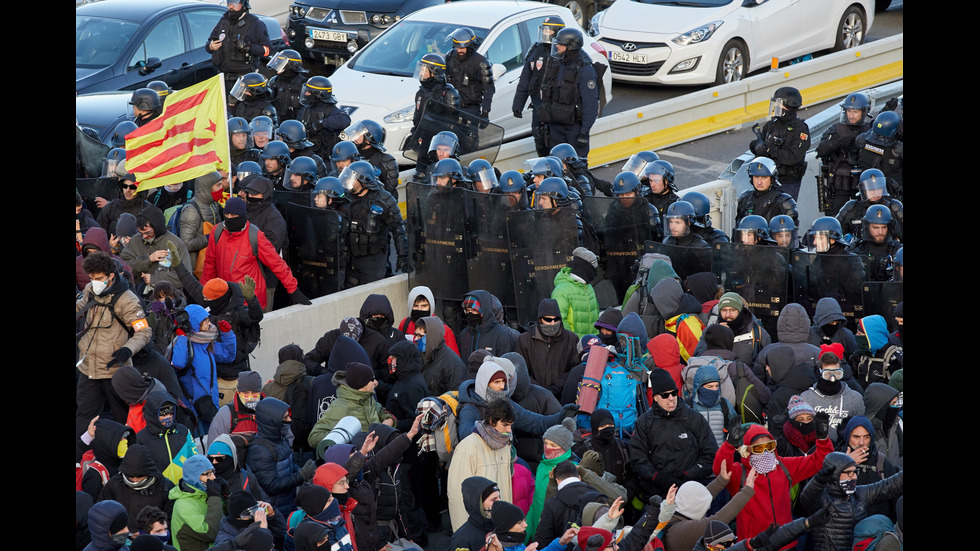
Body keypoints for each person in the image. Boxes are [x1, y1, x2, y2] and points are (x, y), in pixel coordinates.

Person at [712, 418, 833, 548]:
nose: (765, 452)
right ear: (747, 450)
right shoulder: (739, 473)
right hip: (753, 545)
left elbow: (819, 460)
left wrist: (823, 439)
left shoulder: (785, 467)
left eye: (769, 446)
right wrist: (729, 444)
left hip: (786, 543)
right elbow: (720, 470)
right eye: (758, 448)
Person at [76, 251, 153, 439]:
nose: (95, 282)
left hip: (115, 371)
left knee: (121, 420)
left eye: (99, 278)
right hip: (88, 368)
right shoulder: (89, 290)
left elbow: (143, 331)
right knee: (83, 418)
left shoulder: (128, 300)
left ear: (111, 276)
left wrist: (128, 349)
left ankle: (124, 457)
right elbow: (80, 307)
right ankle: (80, 457)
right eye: (92, 278)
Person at [200, 197, 310, 311]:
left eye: (233, 216)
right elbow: (209, 264)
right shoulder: (217, 232)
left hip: (251, 301)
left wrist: (293, 290)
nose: (229, 218)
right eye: (226, 215)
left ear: (242, 216)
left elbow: (276, 263)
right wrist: (204, 293)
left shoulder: (255, 236)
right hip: (225, 298)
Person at [630, 369, 718, 500]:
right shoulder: (644, 423)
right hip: (656, 494)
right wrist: (656, 477)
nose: (671, 398)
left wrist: (688, 475)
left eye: (674, 393)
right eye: (665, 395)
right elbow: (637, 458)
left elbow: (711, 454)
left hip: (690, 492)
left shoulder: (694, 418)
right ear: (655, 397)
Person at [799, 452, 903, 551]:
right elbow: (807, 497)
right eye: (849, 473)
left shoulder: (859, 494)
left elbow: (889, 486)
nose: (854, 477)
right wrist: (818, 481)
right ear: (835, 474)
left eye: (855, 472)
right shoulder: (822, 499)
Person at [338, 160, 412, 286]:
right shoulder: (346, 197)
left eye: (352, 178)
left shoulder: (384, 199)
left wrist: (403, 256)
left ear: (363, 181)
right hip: (350, 259)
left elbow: (398, 229)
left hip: (373, 260)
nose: (347, 180)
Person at [246, 397, 318, 515]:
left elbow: (289, 465)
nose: (290, 420)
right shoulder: (259, 450)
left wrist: (305, 473)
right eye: (285, 418)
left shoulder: (280, 439)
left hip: (287, 505)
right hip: (273, 511)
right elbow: (272, 486)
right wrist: (301, 475)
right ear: (271, 421)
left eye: (288, 416)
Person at [306, 361, 396, 448]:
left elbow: (380, 411)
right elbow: (313, 438)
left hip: (376, 457)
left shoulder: (368, 399)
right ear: (362, 383)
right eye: (372, 379)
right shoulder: (339, 407)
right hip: (355, 460)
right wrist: (346, 437)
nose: (376, 382)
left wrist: (388, 420)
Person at [541, 27, 600, 157]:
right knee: (555, 166)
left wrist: (584, 133)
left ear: (570, 47)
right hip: (556, 127)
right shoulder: (558, 64)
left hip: (574, 130)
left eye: (560, 44)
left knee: (577, 168)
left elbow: (591, 105)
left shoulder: (585, 71)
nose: (556, 46)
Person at [513, 16, 565, 157]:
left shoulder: (564, 52)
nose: (546, 33)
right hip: (538, 104)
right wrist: (518, 104)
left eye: (549, 30)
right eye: (544, 29)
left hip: (555, 107)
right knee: (539, 139)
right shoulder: (536, 50)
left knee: (554, 141)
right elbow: (525, 79)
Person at [815, 92, 872, 215]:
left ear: (863, 112)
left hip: (864, 183)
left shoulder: (870, 130)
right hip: (840, 184)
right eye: (849, 111)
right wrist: (837, 143)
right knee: (835, 216)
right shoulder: (837, 129)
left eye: (855, 112)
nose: (851, 116)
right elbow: (821, 150)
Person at [749, 86, 809, 200]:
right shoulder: (771, 125)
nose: (776, 107)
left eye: (778, 105)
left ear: (789, 107)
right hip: (767, 178)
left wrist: (769, 150)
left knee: (784, 211)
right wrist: (756, 146)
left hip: (787, 181)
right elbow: (757, 142)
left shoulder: (800, 129)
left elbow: (793, 157)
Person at [99, 444, 175, 533]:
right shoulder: (115, 483)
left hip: (152, 541)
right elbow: (102, 512)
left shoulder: (166, 487)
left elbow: (170, 520)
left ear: (149, 471)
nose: (135, 480)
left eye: (140, 475)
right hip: (122, 540)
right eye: (130, 475)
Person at [516, 298, 580, 400]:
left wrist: (557, 386)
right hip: (533, 397)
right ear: (540, 319)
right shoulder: (524, 340)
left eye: (556, 319)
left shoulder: (571, 339)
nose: (552, 323)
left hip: (562, 396)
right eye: (548, 320)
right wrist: (540, 391)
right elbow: (521, 371)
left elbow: (576, 368)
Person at [408, 53, 462, 174]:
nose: (420, 73)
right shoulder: (421, 92)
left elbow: (454, 124)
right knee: (420, 175)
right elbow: (418, 117)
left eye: (423, 69)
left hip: (441, 145)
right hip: (425, 144)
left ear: (434, 71)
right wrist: (414, 136)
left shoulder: (448, 93)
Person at [119, 205, 190, 293]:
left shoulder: (176, 244)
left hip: (169, 296)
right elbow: (123, 267)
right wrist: (147, 259)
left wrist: (155, 279)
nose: (144, 236)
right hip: (138, 292)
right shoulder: (135, 240)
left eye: (148, 232)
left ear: (157, 227)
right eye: (141, 233)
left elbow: (185, 277)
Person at [205, 0, 272, 92]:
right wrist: (210, 46)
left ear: (244, 5)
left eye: (234, 3)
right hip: (224, 79)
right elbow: (209, 43)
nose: (231, 6)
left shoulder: (254, 23)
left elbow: (268, 50)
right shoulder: (223, 21)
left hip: (244, 79)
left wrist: (248, 47)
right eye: (229, 3)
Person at [799, 352, 866, 441]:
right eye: (827, 374)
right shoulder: (805, 398)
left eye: (837, 373)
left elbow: (862, 429)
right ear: (819, 373)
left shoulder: (855, 398)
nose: (833, 378)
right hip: (816, 451)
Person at [445, 27, 495, 143]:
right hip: (451, 107)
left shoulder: (481, 62)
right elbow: (443, 81)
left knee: (469, 141)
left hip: (471, 108)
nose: (460, 50)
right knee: (449, 140)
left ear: (470, 46)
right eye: (457, 47)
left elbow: (489, 88)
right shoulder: (450, 57)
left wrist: (485, 112)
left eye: (463, 48)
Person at [168, 454, 225, 551]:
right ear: (194, 477)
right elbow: (211, 533)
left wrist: (226, 496)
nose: (213, 477)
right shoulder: (184, 505)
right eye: (207, 474)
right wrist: (215, 497)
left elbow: (226, 520)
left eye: (213, 472)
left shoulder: (205, 494)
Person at [834, 168, 904, 242]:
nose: (876, 193)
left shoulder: (894, 206)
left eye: (879, 189)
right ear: (864, 190)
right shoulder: (852, 207)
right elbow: (834, 229)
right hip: (858, 251)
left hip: (890, 250)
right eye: (872, 190)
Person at [177, 171, 224, 276]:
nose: (222, 188)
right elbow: (186, 243)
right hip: (197, 269)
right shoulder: (192, 210)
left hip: (211, 265)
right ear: (206, 187)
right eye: (218, 185)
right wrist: (210, 237)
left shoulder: (213, 204)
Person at [733, 157, 798, 231]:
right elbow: (738, 229)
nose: (759, 182)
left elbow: (789, 235)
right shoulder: (746, 197)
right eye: (756, 177)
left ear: (772, 178)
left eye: (764, 177)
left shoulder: (783, 202)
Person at [342, 119, 400, 199]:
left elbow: (389, 192)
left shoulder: (387, 161)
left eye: (359, 133)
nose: (355, 136)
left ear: (369, 138)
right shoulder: (349, 155)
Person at [298, 76, 352, 160]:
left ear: (318, 94)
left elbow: (345, 120)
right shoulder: (305, 110)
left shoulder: (331, 110)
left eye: (309, 91)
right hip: (306, 154)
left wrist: (321, 124)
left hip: (325, 157)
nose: (305, 94)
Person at [551, 247, 600, 337]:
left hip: (591, 345)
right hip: (573, 347)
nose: (595, 273)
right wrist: (573, 342)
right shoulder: (561, 291)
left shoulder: (589, 288)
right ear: (587, 269)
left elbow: (595, 316)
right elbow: (560, 322)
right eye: (594, 269)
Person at [846, 205, 903, 281]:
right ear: (867, 227)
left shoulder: (898, 250)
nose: (880, 232)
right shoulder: (856, 249)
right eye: (875, 227)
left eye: (884, 227)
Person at [855, 110, 904, 199]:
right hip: (893, 193)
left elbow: (852, 159)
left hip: (868, 191)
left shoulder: (862, 140)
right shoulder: (898, 149)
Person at [414, 315, 467, 396]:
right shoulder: (420, 355)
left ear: (432, 336)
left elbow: (455, 397)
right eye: (416, 334)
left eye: (420, 336)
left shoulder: (453, 364)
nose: (416, 339)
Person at [447, 476, 502, 551]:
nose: (500, 502)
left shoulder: (499, 526)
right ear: (478, 504)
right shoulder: (462, 541)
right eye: (494, 499)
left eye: (499, 497)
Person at [458, 290, 518, 358]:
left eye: (474, 310)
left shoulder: (501, 336)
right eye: (467, 310)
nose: (470, 313)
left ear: (484, 310)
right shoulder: (464, 334)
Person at [849, 314, 903, 390]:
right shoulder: (858, 356)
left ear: (871, 336)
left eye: (860, 334)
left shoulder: (895, 357)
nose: (856, 335)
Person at [267, 49, 310, 122]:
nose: (277, 70)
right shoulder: (274, 81)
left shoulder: (304, 84)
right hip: (277, 123)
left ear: (291, 66)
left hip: (296, 125)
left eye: (280, 65)